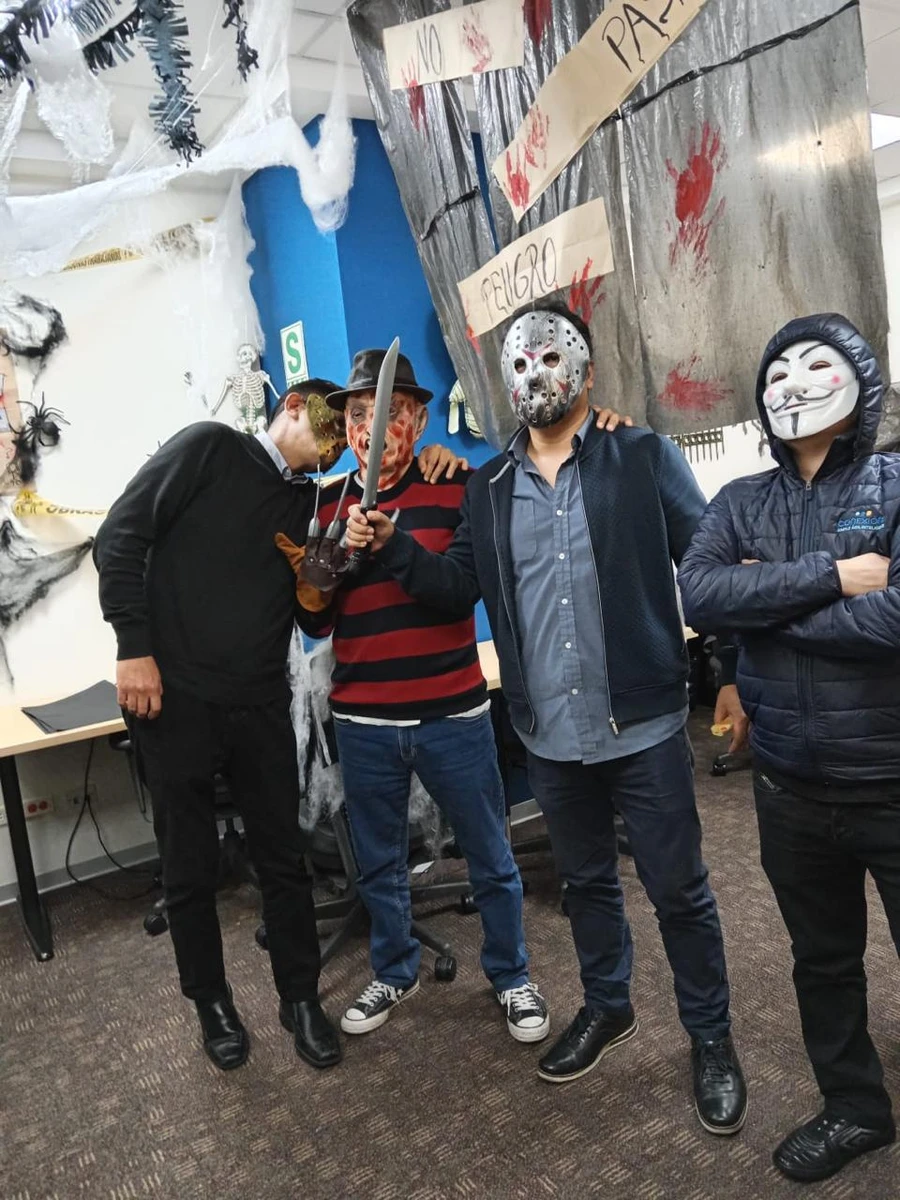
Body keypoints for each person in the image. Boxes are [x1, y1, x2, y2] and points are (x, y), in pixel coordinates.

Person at [345, 303, 748, 1135]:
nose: (535, 373)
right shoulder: (487, 488)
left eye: (552, 358)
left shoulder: (640, 456)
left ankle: (710, 1036)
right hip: (550, 737)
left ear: (587, 371)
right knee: (588, 885)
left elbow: (708, 566)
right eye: (520, 363)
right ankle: (608, 1006)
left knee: (678, 891)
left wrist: (735, 672)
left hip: (641, 726)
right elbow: (456, 588)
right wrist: (393, 543)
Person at [93, 379, 464, 1072]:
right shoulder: (208, 449)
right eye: (330, 428)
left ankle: (300, 999)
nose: (336, 446)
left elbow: (309, 613)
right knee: (189, 867)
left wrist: (321, 585)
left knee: (283, 860)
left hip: (262, 699)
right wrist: (132, 646)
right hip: (175, 698)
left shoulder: (310, 504)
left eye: (343, 440)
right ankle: (211, 1003)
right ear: (293, 405)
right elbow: (119, 535)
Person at [678, 313, 900, 1183]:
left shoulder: (896, 484)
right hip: (789, 787)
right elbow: (701, 595)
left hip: (891, 776)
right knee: (823, 961)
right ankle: (855, 1109)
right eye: (777, 371)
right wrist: (830, 578)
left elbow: (896, 620)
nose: (793, 383)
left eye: (815, 365)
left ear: (862, 382)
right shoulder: (740, 502)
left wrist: (766, 611)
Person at [278, 349, 551, 1042]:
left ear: (419, 421)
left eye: (389, 413)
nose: (371, 429)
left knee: (489, 854)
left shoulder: (457, 486)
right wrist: (320, 579)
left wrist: (393, 545)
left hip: (451, 712)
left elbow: (458, 591)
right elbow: (316, 624)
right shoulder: (328, 502)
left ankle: (512, 973)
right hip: (364, 720)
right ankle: (394, 969)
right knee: (378, 863)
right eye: (358, 415)